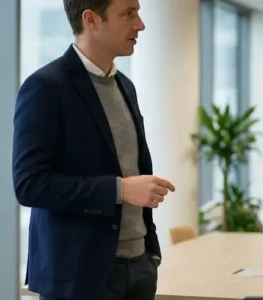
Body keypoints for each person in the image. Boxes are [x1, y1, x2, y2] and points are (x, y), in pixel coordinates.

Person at [12, 0, 175, 299]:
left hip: (138, 268)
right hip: (81, 277)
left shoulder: (125, 86)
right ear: (91, 19)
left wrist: (150, 255)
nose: (140, 24)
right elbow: (29, 186)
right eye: (128, 14)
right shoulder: (45, 87)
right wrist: (120, 190)